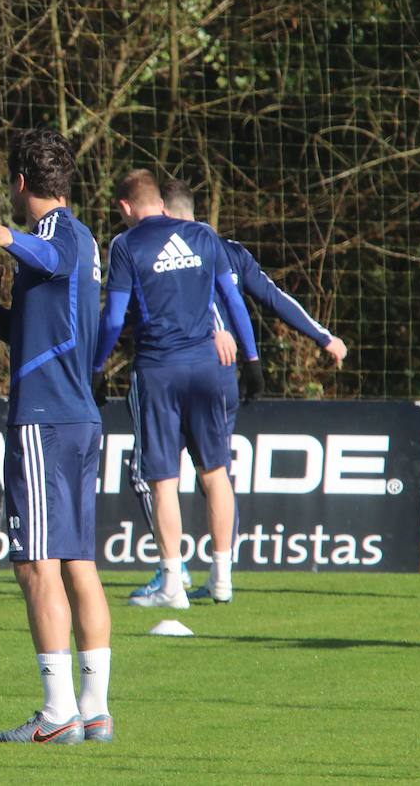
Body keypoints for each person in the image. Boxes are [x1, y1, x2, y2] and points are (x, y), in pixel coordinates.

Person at [125, 179, 348, 602]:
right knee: (216, 473)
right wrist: (322, 337)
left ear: (163, 213)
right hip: (223, 376)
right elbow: (271, 296)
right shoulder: (227, 247)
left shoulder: (155, 249)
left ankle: (170, 574)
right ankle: (221, 575)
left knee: (152, 475)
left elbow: (145, 309)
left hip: (177, 369)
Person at [0, 127, 112, 745]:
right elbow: (38, 333)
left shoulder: (54, 237)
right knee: (78, 562)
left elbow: (49, 257)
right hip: (76, 417)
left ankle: (56, 716)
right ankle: (95, 710)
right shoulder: (79, 237)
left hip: (45, 420)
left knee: (34, 564)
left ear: (20, 184)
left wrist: (5, 235)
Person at [93, 168, 260, 610]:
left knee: (164, 481)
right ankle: (222, 578)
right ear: (161, 203)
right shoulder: (203, 237)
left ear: (127, 207)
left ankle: (172, 584)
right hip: (209, 367)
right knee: (215, 472)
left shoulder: (126, 245)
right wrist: (253, 358)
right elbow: (234, 299)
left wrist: (97, 365)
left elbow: (113, 319)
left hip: (159, 372)